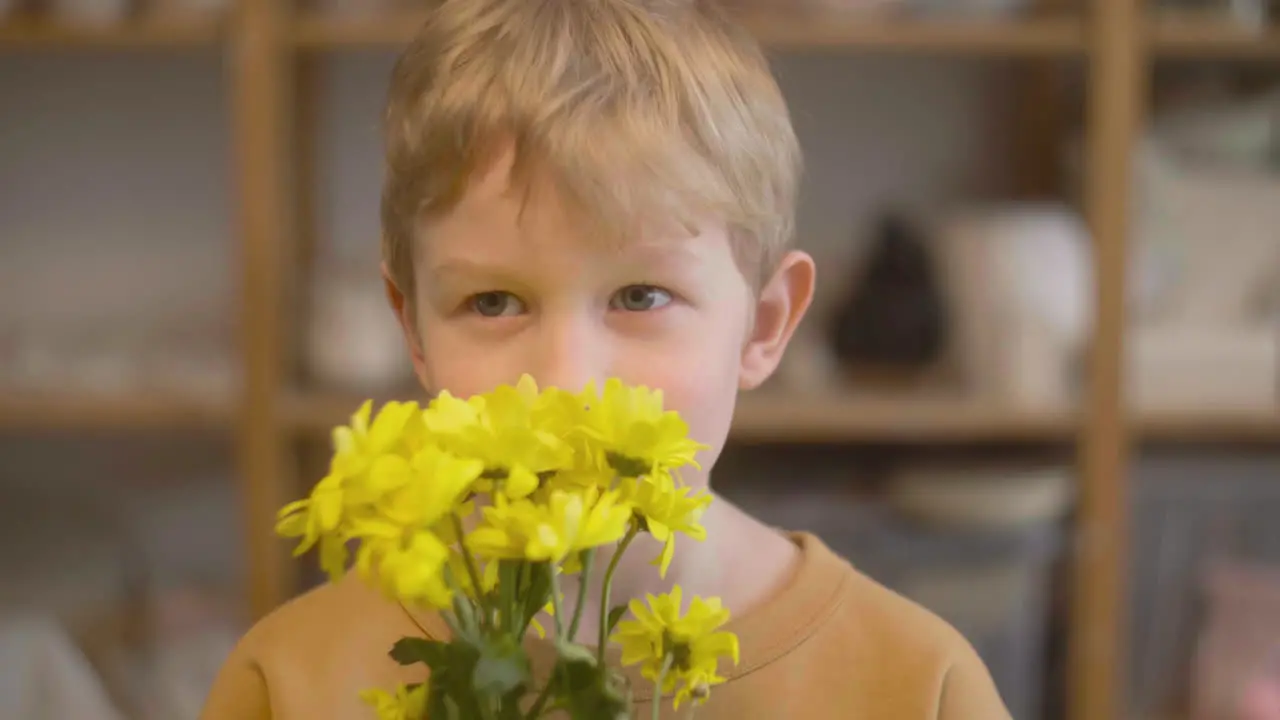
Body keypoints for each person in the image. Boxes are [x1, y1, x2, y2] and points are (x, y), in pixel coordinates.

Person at [201, 0, 1011, 717]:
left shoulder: (918, 687)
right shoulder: (290, 685)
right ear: (412, 330)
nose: (565, 381)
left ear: (764, 327)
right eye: (493, 303)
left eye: (640, 297)